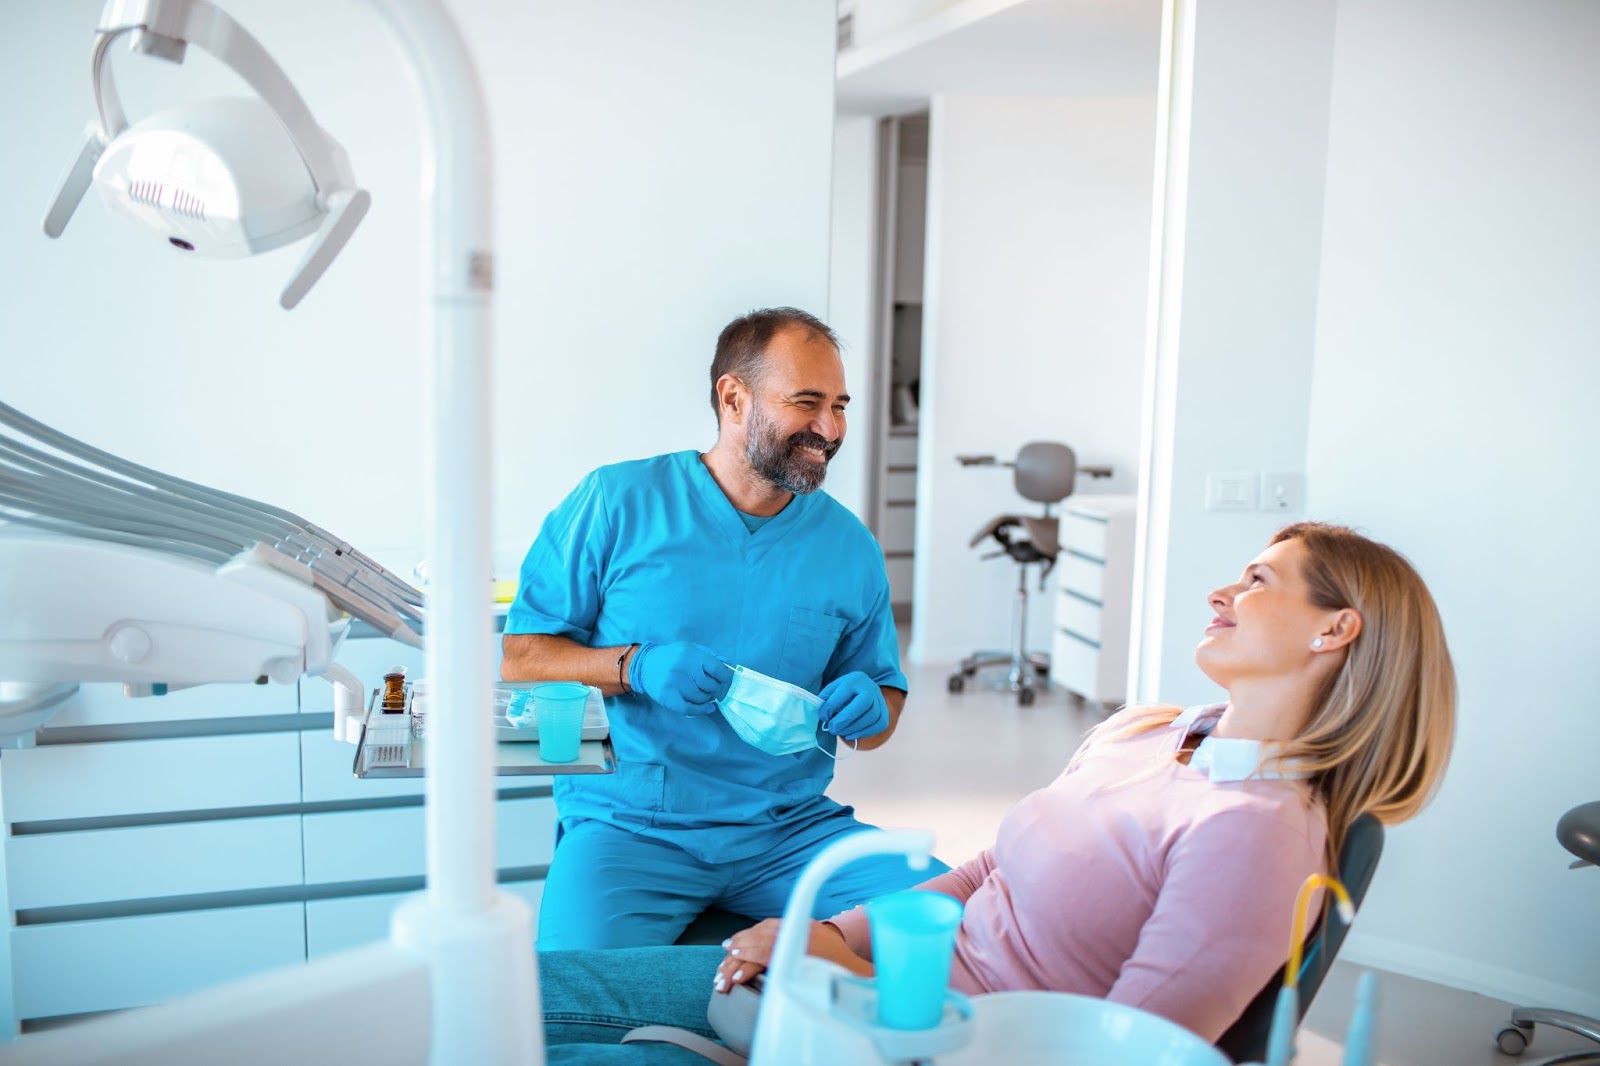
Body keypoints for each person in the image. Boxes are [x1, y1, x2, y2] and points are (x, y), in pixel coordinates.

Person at [530, 521, 1458, 1062]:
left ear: (1335, 629)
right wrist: (838, 937)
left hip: (928, 1038)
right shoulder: (1151, 730)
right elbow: (986, 869)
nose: (1223, 590)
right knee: (519, 994)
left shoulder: (1253, 834)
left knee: (524, 1032)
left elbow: (1110, 1050)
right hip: (887, 987)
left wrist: (875, 993)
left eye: (1258, 580)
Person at [503, 307, 947, 951]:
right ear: (733, 398)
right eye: (807, 403)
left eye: (841, 406)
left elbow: (883, 707)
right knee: (571, 994)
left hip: (788, 829)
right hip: (631, 827)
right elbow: (522, 659)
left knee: (953, 918)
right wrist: (633, 667)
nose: (830, 429)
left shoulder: (849, 548)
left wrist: (874, 707)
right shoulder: (616, 502)